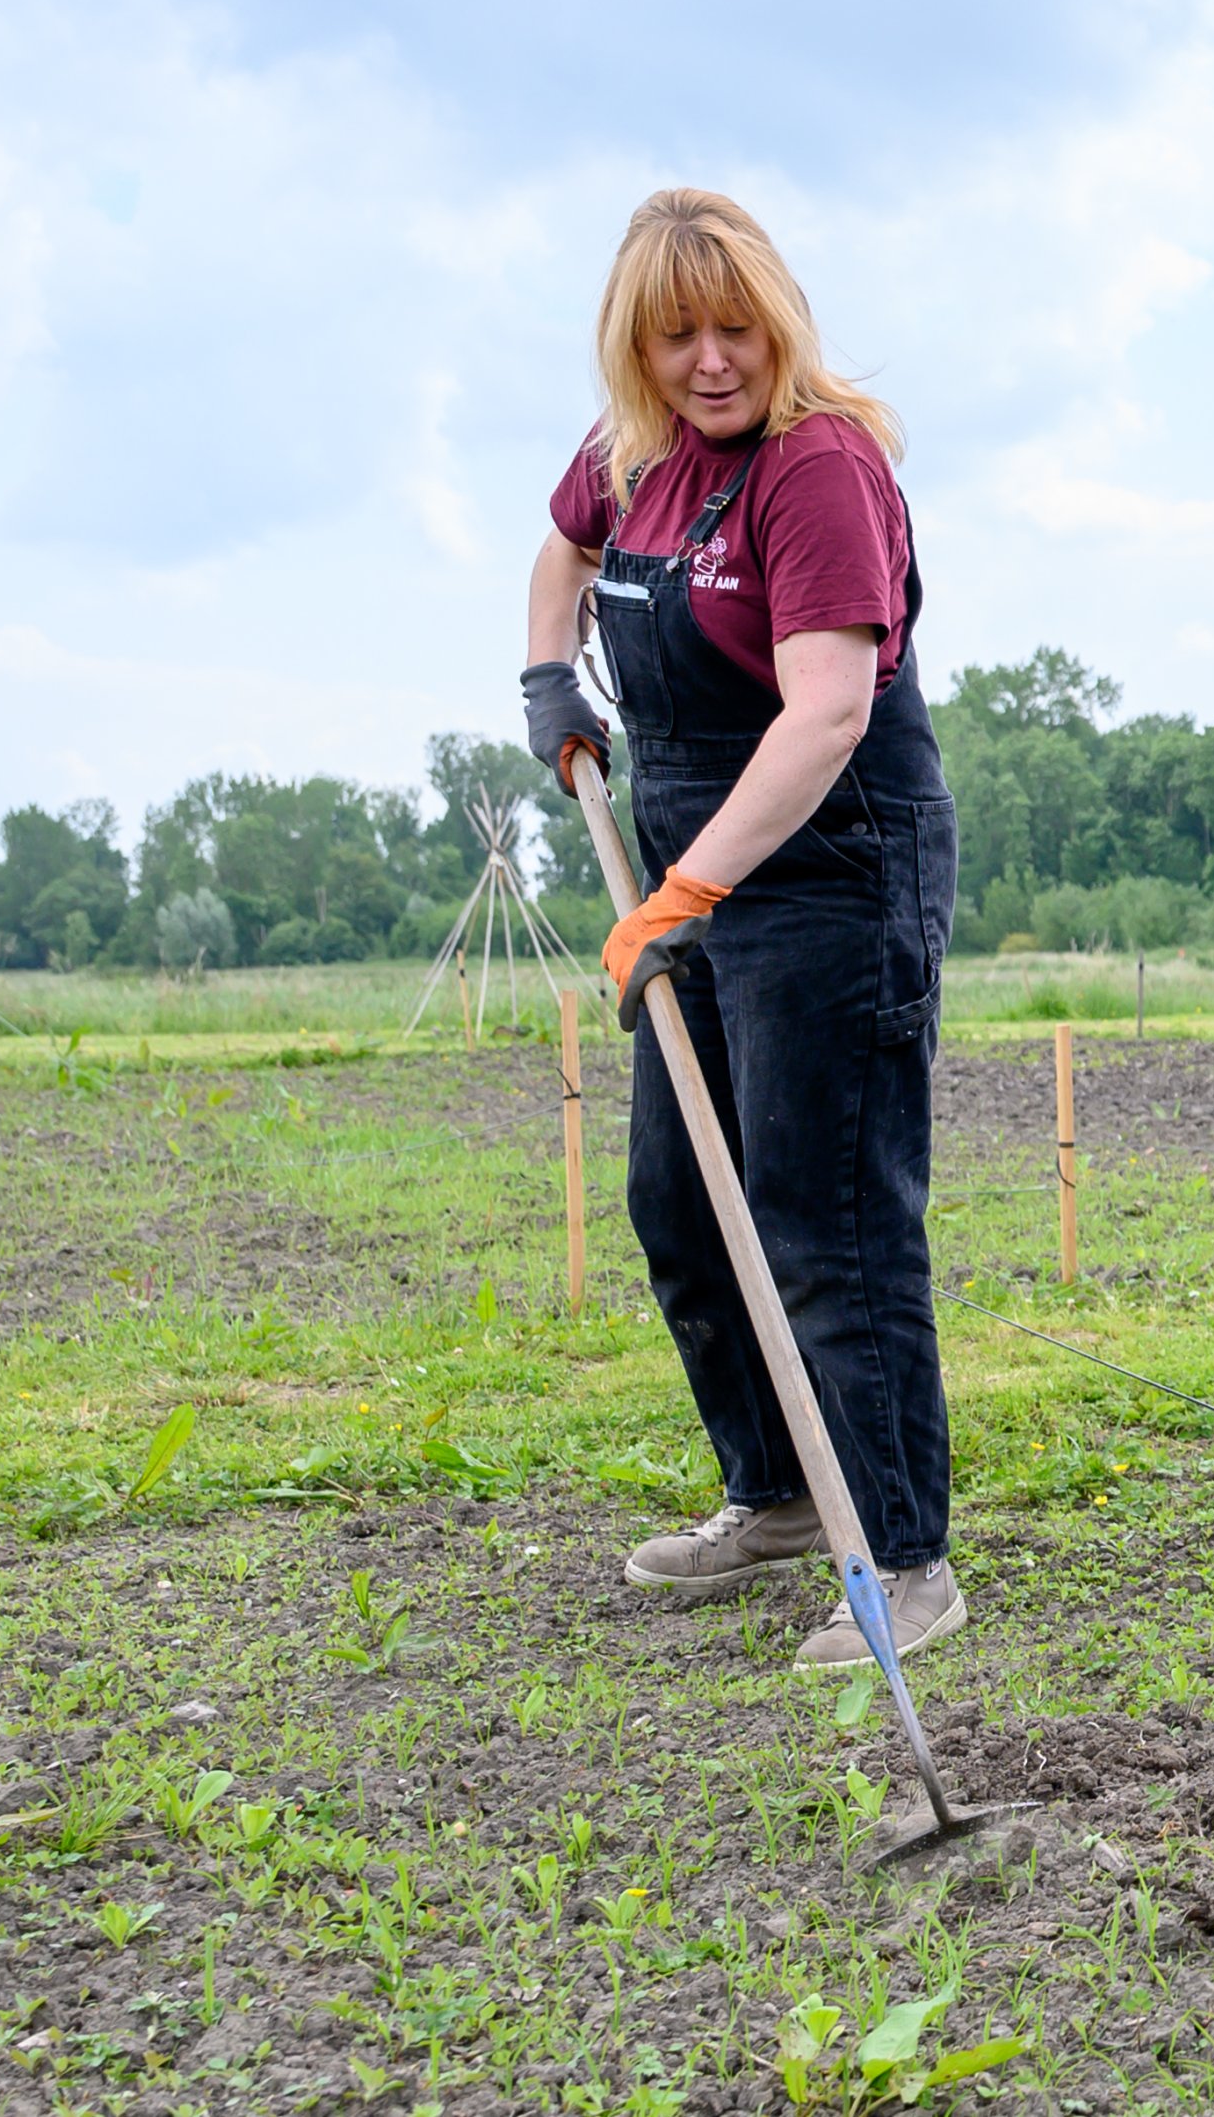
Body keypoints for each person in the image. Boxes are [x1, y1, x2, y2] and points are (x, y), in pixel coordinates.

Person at [519, 189, 965, 1670]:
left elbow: (829, 709)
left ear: (779, 321)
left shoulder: (820, 466)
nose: (712, 361)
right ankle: (774, 1493)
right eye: (676, 337)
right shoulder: (627, 456)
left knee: (822, 1219)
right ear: (633, 350)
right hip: (695, 864)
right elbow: (559, 557)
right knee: (679, 1204)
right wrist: (548, 686)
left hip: (835, 860)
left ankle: (902, 1554)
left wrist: (684, 894)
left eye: (735, 328)